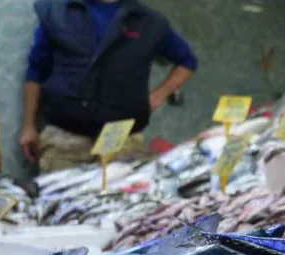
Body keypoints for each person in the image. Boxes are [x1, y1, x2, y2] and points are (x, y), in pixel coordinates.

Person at [20, 0, 198, 172]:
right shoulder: (57, 12)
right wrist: (28, 126)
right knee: (59, 202)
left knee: (119, 201)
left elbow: (187, 62)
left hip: (122, 142)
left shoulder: (149, 20)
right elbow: (36, 70)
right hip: (64, 142)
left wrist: (157, 97)